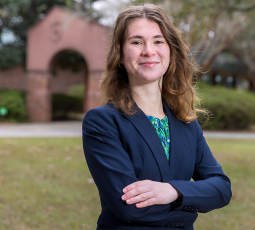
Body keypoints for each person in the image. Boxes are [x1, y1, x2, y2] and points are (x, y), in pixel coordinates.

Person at [82, 4, 232, 230]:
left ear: (171, 52)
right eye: (136, 42)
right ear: (120, 55)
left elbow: (221, 188)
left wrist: (172, 191)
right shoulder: (103, 122)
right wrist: (191, 204)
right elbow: (130, 207)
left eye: (158, 41)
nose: (148, 51)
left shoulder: (186, 123)